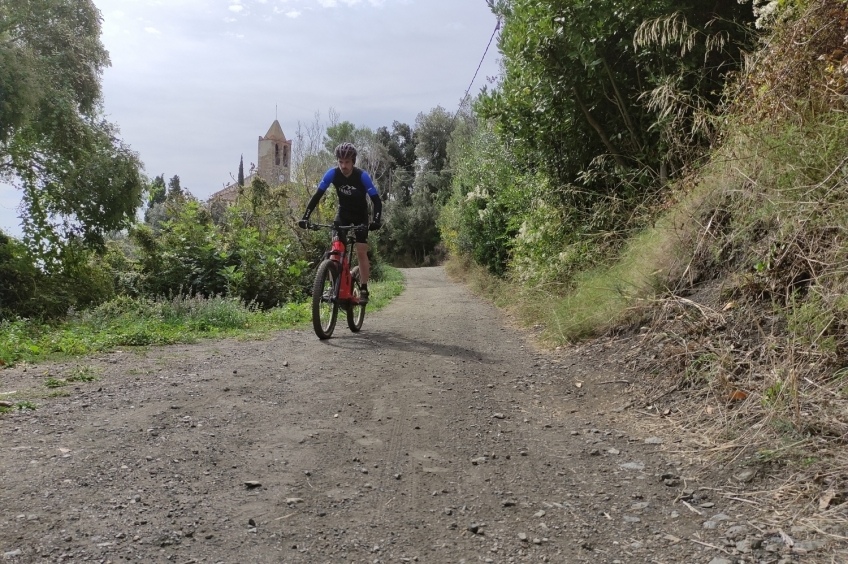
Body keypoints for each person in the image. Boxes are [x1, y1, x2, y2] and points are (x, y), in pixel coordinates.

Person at [298, 142, 383, 304]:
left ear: (353, 161)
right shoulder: (332, 174)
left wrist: (376, 220)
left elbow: (376, 201)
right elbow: (317, 196)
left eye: (347, 162)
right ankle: (333, 286)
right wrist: (305, 217)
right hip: (343, 213)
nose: (343, 166)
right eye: (340, 162)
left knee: (361, 251)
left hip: (360, 216)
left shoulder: (362, 176)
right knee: (335, 250)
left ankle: (364, 288)